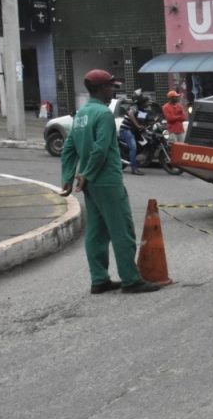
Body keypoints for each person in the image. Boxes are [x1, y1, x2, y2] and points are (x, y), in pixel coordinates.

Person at [59, 70, 162, 294]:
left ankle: (99, 279)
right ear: (101, 88)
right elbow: (101, 148)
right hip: (106, 180)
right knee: (122, 231)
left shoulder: (81, 114)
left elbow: (69, 148)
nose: (113, 90)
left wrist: (68, 178)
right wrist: (86, 172)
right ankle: (131, 280)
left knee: (96, 233)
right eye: (111, 86)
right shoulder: (103, 114)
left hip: (91, 185)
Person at [119, 93, 152, 175]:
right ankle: (134, 168)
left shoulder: (142, 110)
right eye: (147, 102)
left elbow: (144, 120)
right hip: (126, 130)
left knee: (144, 143)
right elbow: (130, 114)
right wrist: (137, 125)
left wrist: (151, 122)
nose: (148, 103)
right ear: (142, 102)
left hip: (134, 131)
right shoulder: (134, 107)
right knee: (133, 147)